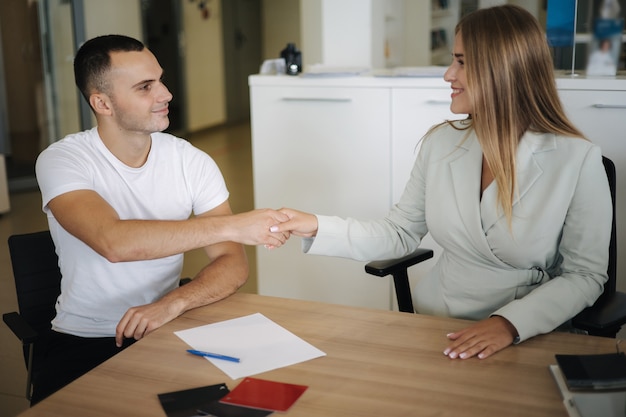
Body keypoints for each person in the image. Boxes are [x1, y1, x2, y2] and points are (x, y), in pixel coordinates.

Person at [271, 6, 612, 360]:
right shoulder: (441, 143)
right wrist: (313, 226)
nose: (449, 74)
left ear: (503, 69)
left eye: (462, 62)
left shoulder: (576, 159)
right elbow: (399, 232)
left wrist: (509, 324)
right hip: (438, 324)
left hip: (527, 332)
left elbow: (584, 275)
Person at [32, 34, 288, 404]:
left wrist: (174, 302)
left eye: (161, 80)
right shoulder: (63, 160)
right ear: (102, 102)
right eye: (145, 87)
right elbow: (114, 243)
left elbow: (232, 262)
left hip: (168, 327)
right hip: (85, 340)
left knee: (259, 401)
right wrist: (234, 225)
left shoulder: (191, 160)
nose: (166, 94)